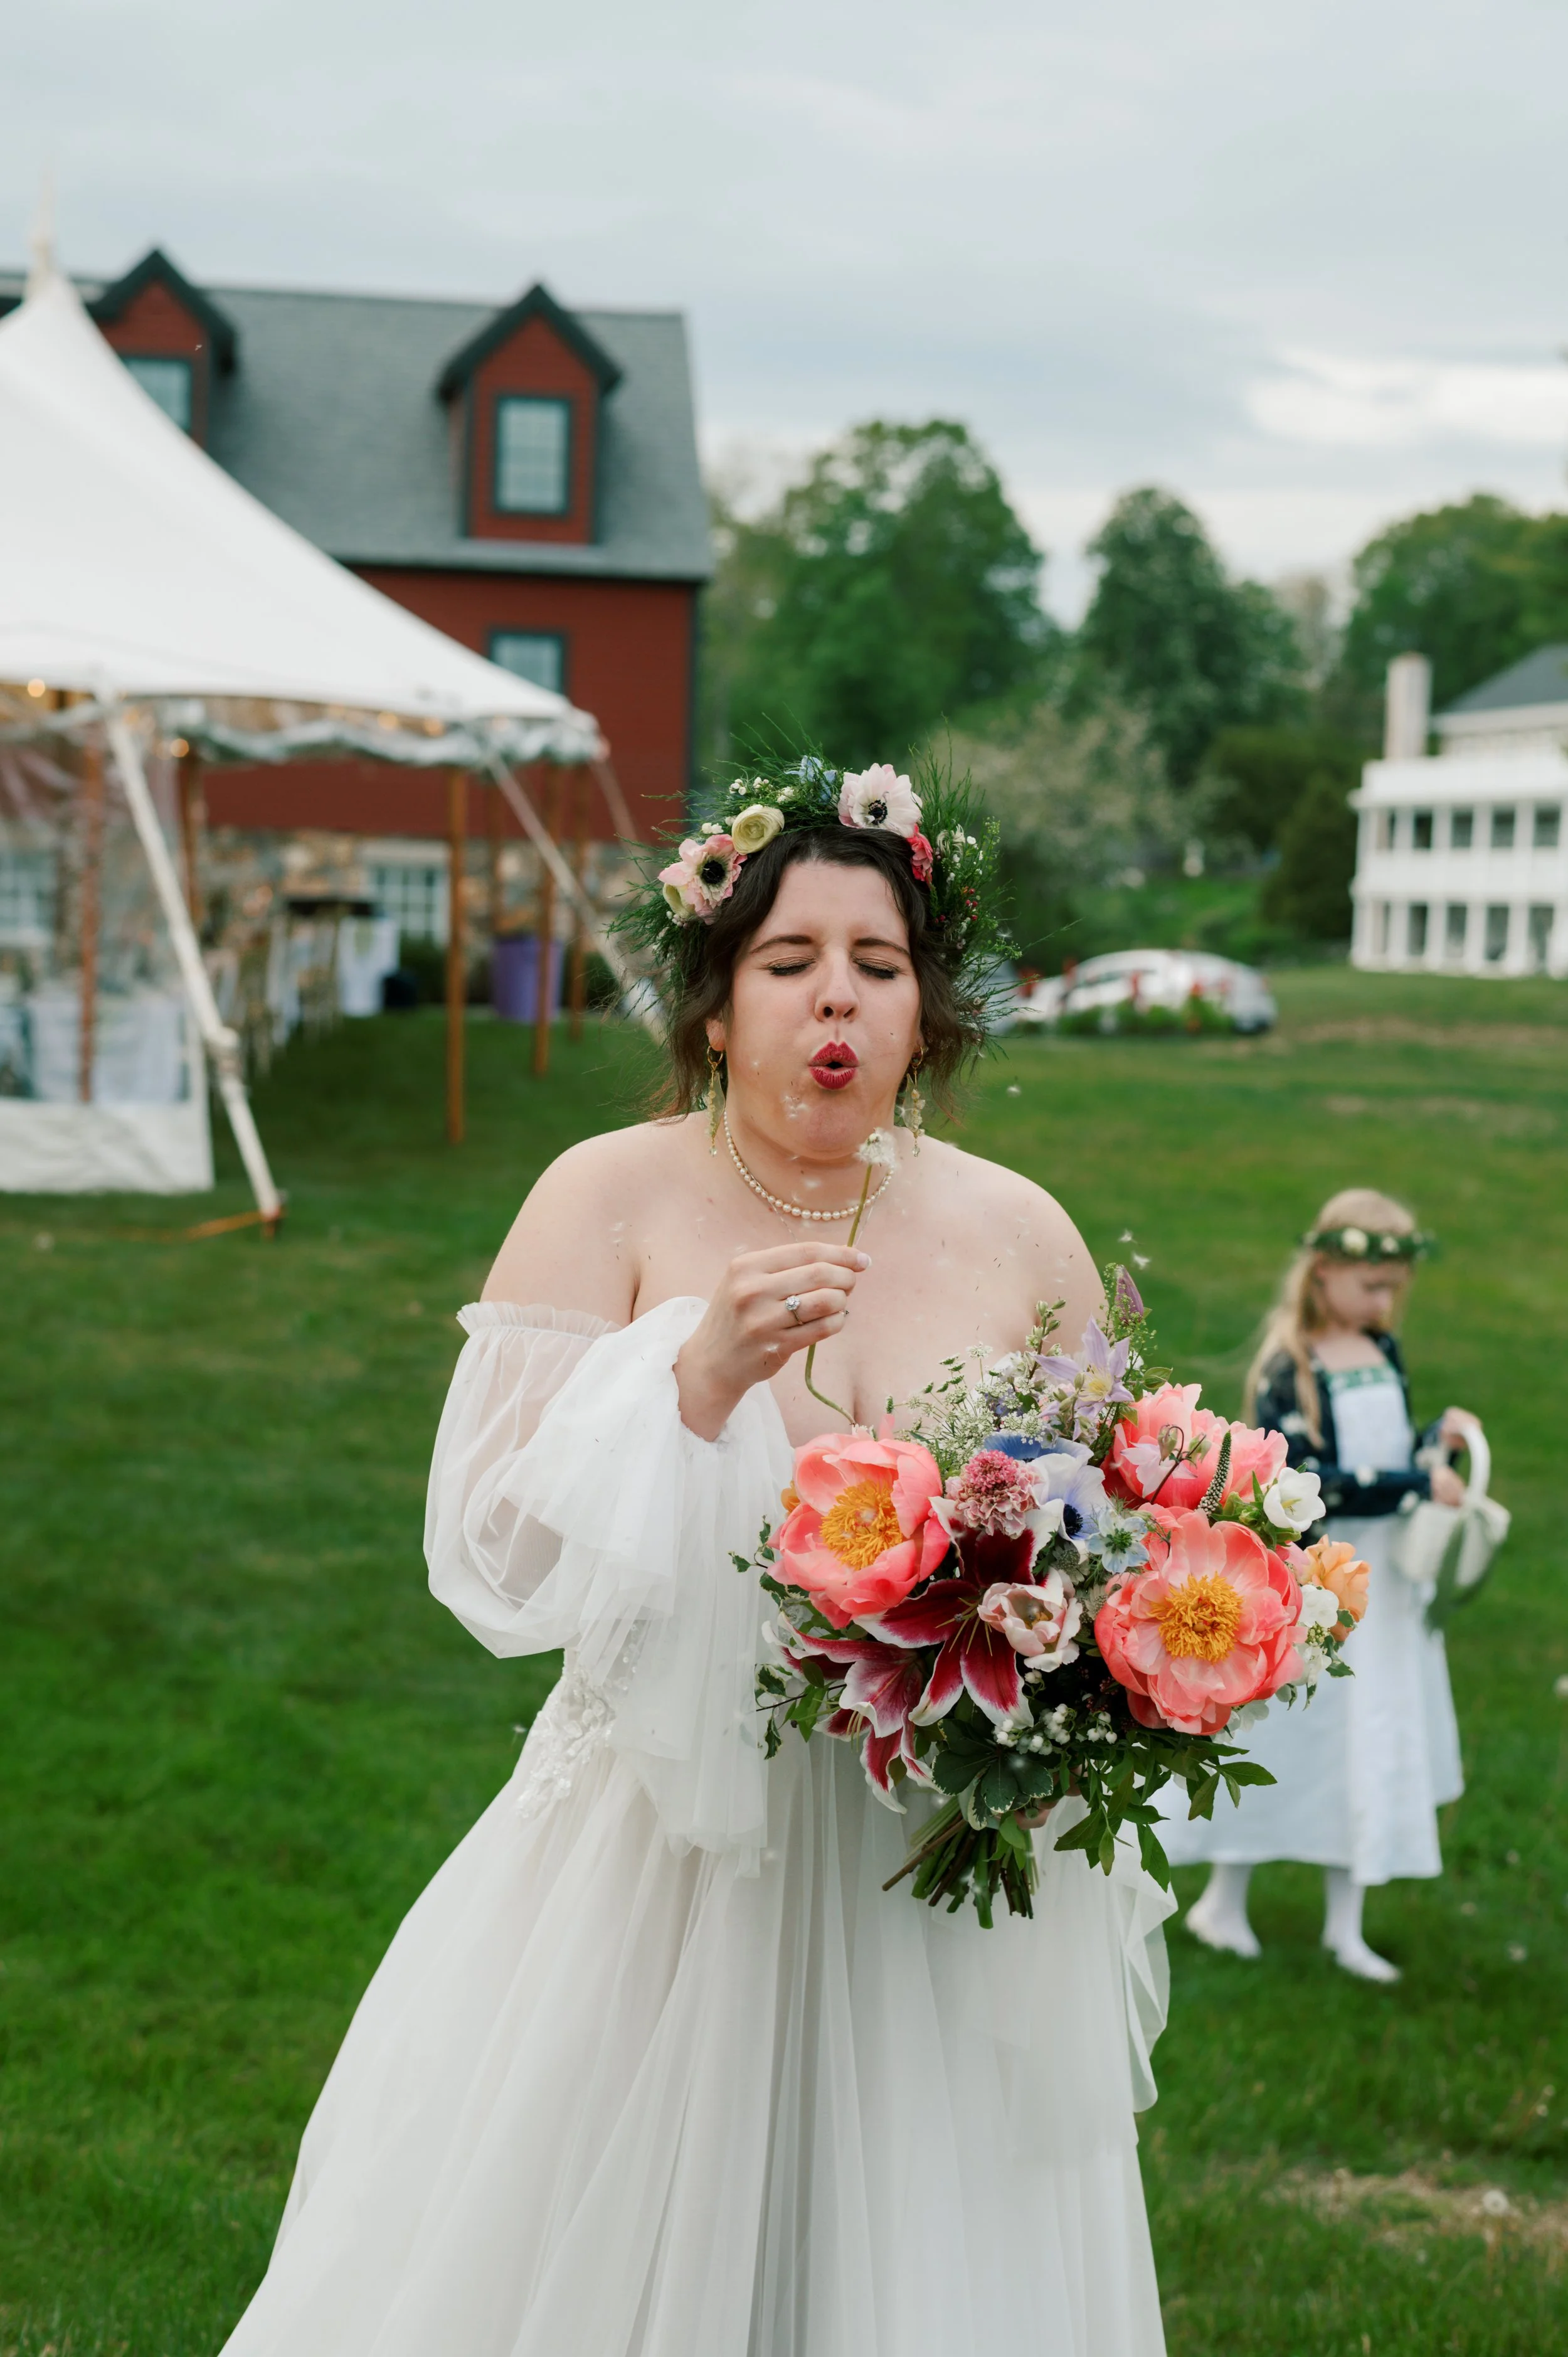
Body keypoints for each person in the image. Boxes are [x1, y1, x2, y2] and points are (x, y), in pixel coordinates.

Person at [218, 761, 1174, 2357]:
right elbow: (493, 1548)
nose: (837, 1003)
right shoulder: (610, 1192)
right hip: (665, 1864)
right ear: (716, 1007)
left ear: (926, 1013)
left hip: (925, 1866)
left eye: (878, 966)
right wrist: (694, 1382)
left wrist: (1111, 1657)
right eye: (789, 961)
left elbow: (1123, 1521)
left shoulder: (1020, 1228)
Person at [1166, 1188, 1472, 1982]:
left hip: (1385, 1580)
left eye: (1394, 1288)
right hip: (1319, 1577)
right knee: (1286, 1735)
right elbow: (1316, 1480)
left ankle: (1347, 1922)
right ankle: (1222, 1898)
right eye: (1373, 1285)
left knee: (1362, 1737)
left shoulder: (1380, 1351)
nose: (1385, 1301)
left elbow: (1388, 1447)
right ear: (1326, 1270)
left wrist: (1431, 1444)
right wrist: (1410, 1482)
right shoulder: (1289, 1368)